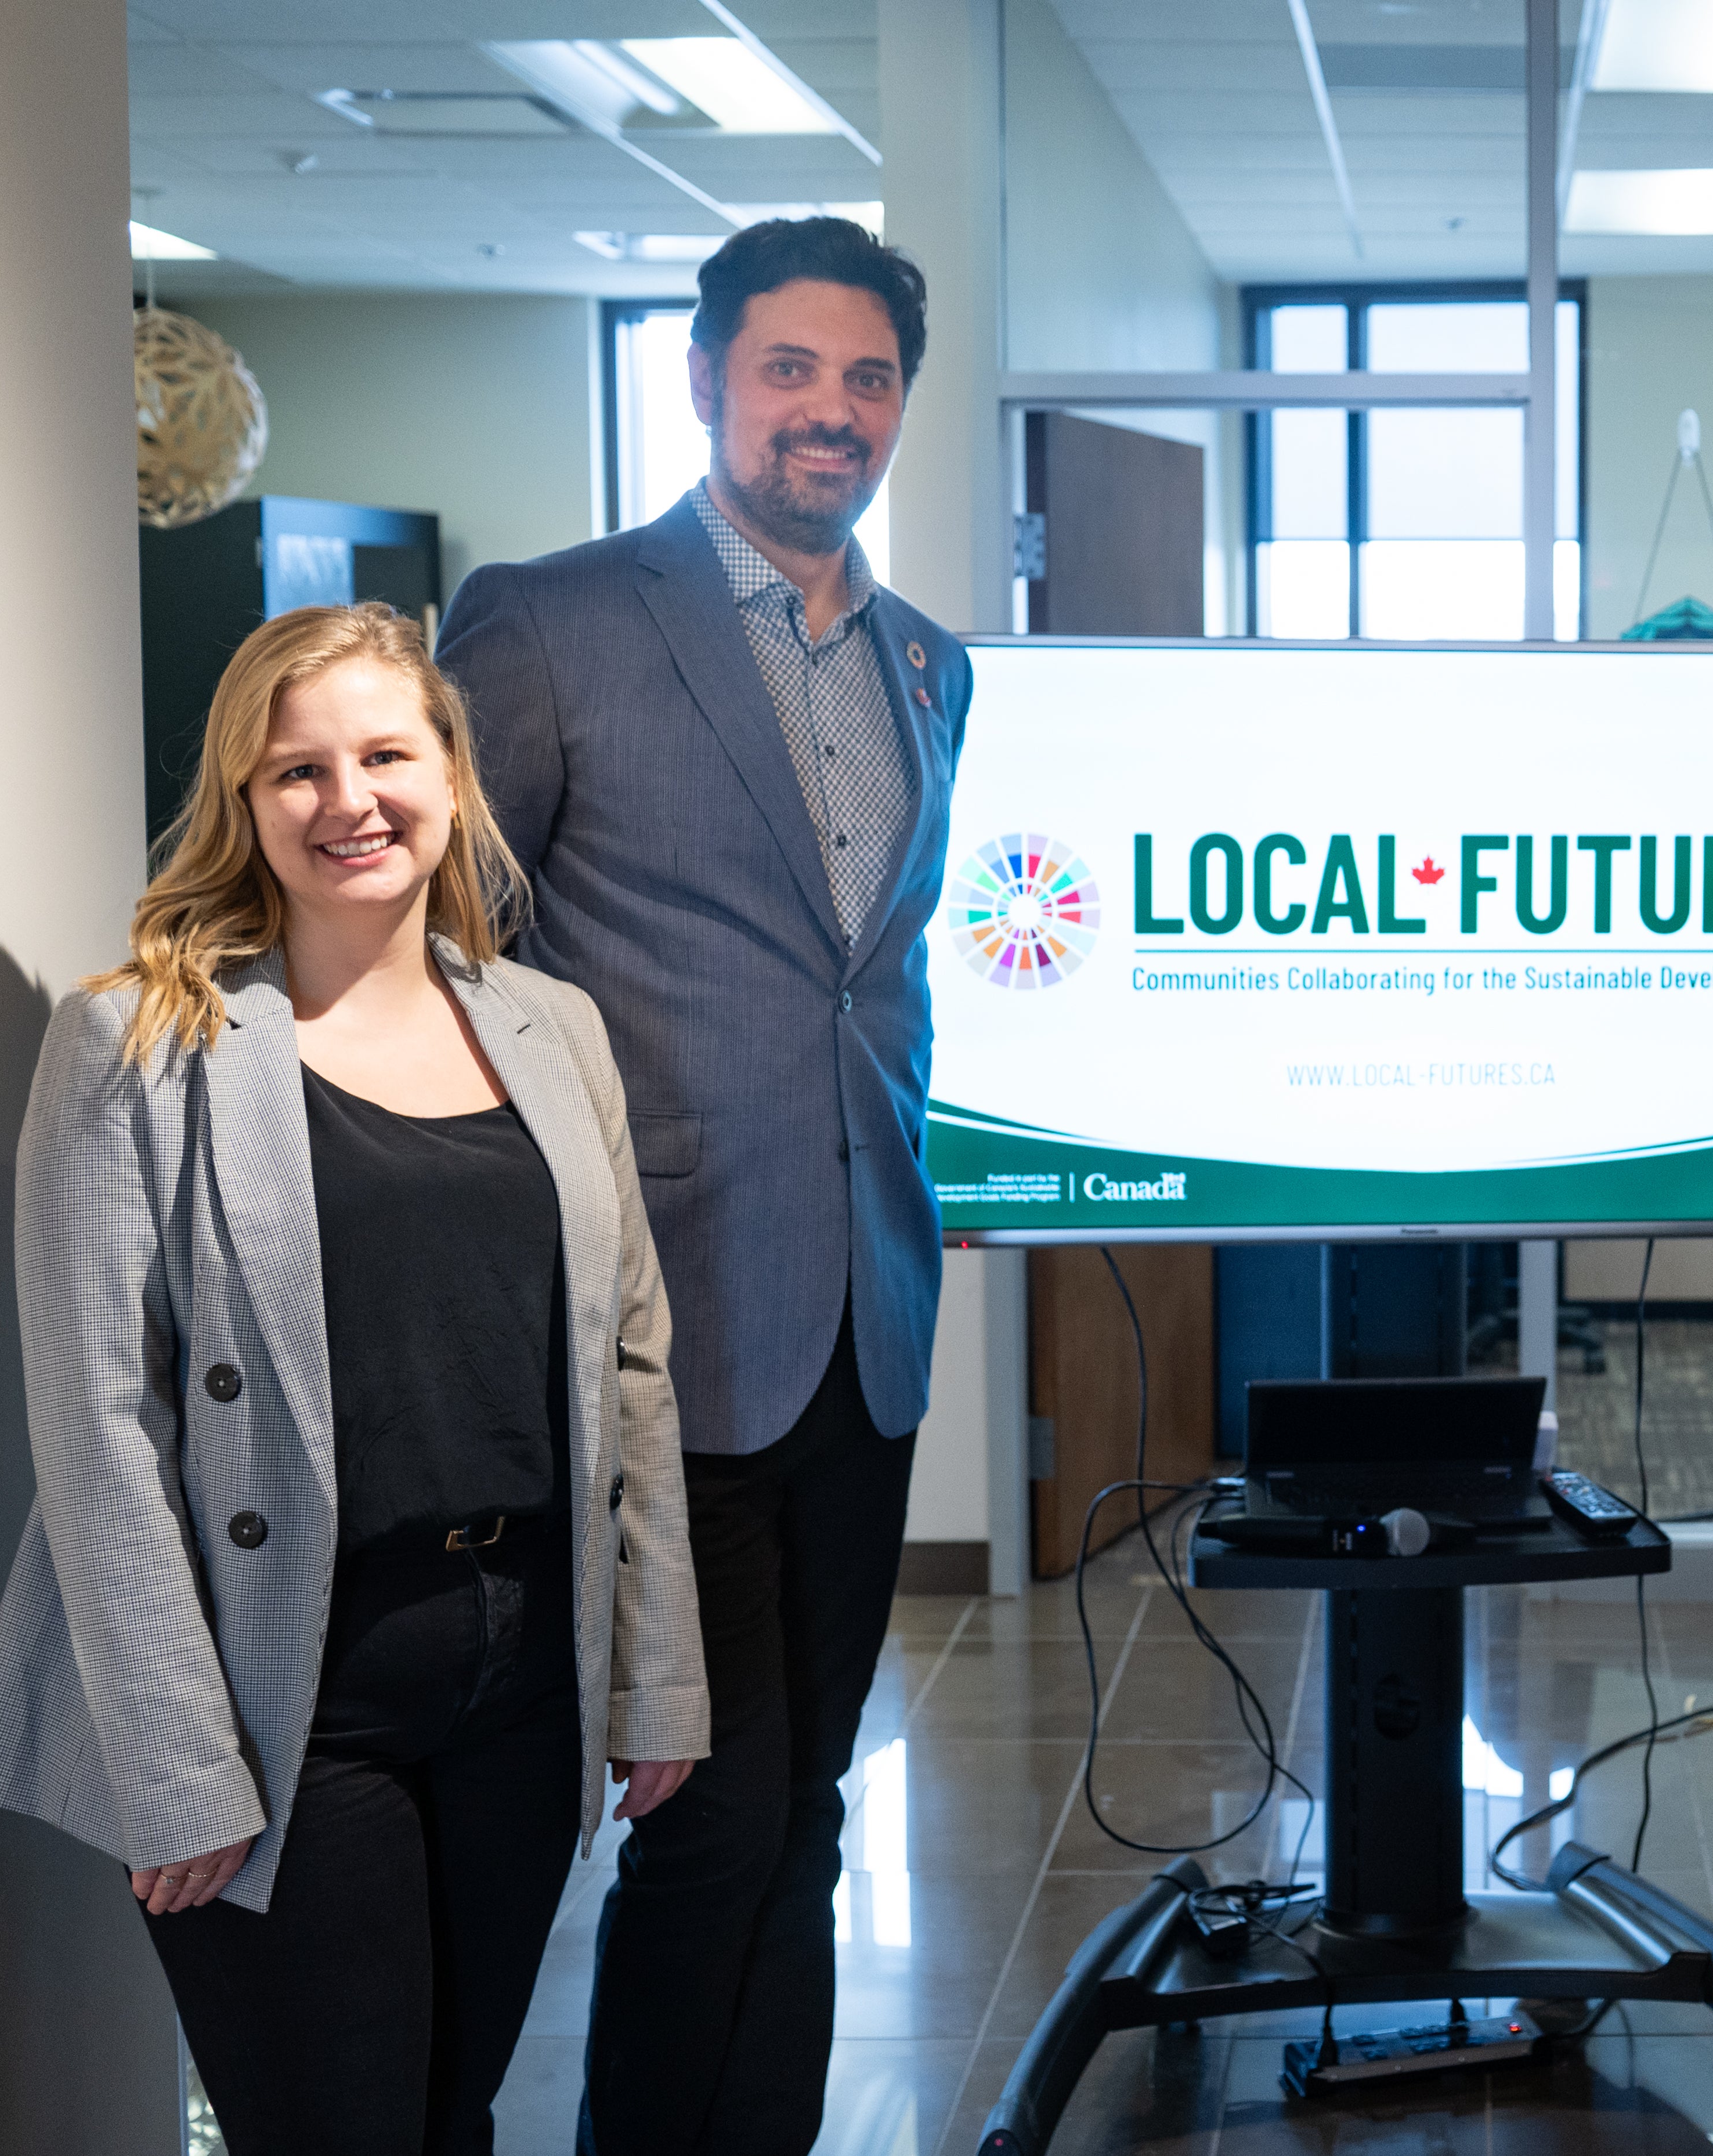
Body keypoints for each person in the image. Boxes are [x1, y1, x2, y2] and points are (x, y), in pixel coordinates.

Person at [0, 602, 707, 2153]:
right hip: (284, 1691)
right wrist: (175, 1767)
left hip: (516, 1672)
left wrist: (655, 1670)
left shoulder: (553, 1028)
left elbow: (631, 1373)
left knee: (450, 2116)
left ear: (449, 772)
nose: (347, 800)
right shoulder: (137, 1041)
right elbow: (99, 1426)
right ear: (243, 799)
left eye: (382, 753)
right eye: (296, 770)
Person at [435, 214, 970, 2151]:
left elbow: (864, 977)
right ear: (706, 382)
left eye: (868, 377)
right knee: (710, 1808)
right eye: (790, 370)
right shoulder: (556, 621)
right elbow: (447, 959)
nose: (831, 412)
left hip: (865, 1319)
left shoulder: (929, 660)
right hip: (657, 1315)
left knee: (809, 1809)